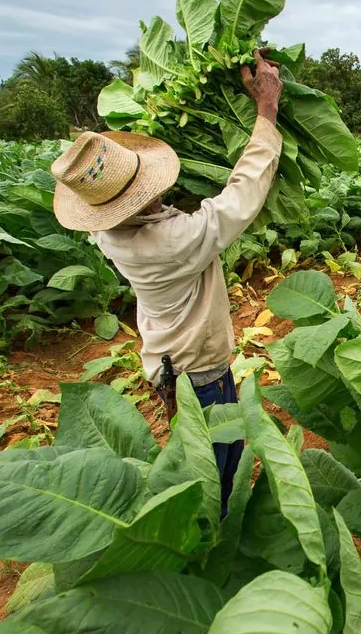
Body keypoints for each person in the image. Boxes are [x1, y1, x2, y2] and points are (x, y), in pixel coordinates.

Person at [49, 52, 284, 516]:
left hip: (167, 365)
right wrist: (266, 112)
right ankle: (211, 547)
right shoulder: (169, 242)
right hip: (198, 375)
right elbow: (240, 197)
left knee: (198, 456)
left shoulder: (106, 231)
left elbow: (149, 207)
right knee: (217, 472)